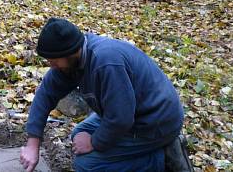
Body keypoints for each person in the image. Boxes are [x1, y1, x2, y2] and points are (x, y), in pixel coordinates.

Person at [20, 18, 187, 172]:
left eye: (54, 61)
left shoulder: (106, 63)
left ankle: (160, 159)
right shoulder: (71, 61)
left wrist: (94, 142)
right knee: (78, 134)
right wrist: (33, 144)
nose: (52, 66)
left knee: (87, 165)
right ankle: (144, 151)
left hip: (155, 121)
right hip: (125, 112)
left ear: (70, 52)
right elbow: (45, 95)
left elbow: (121, 119)